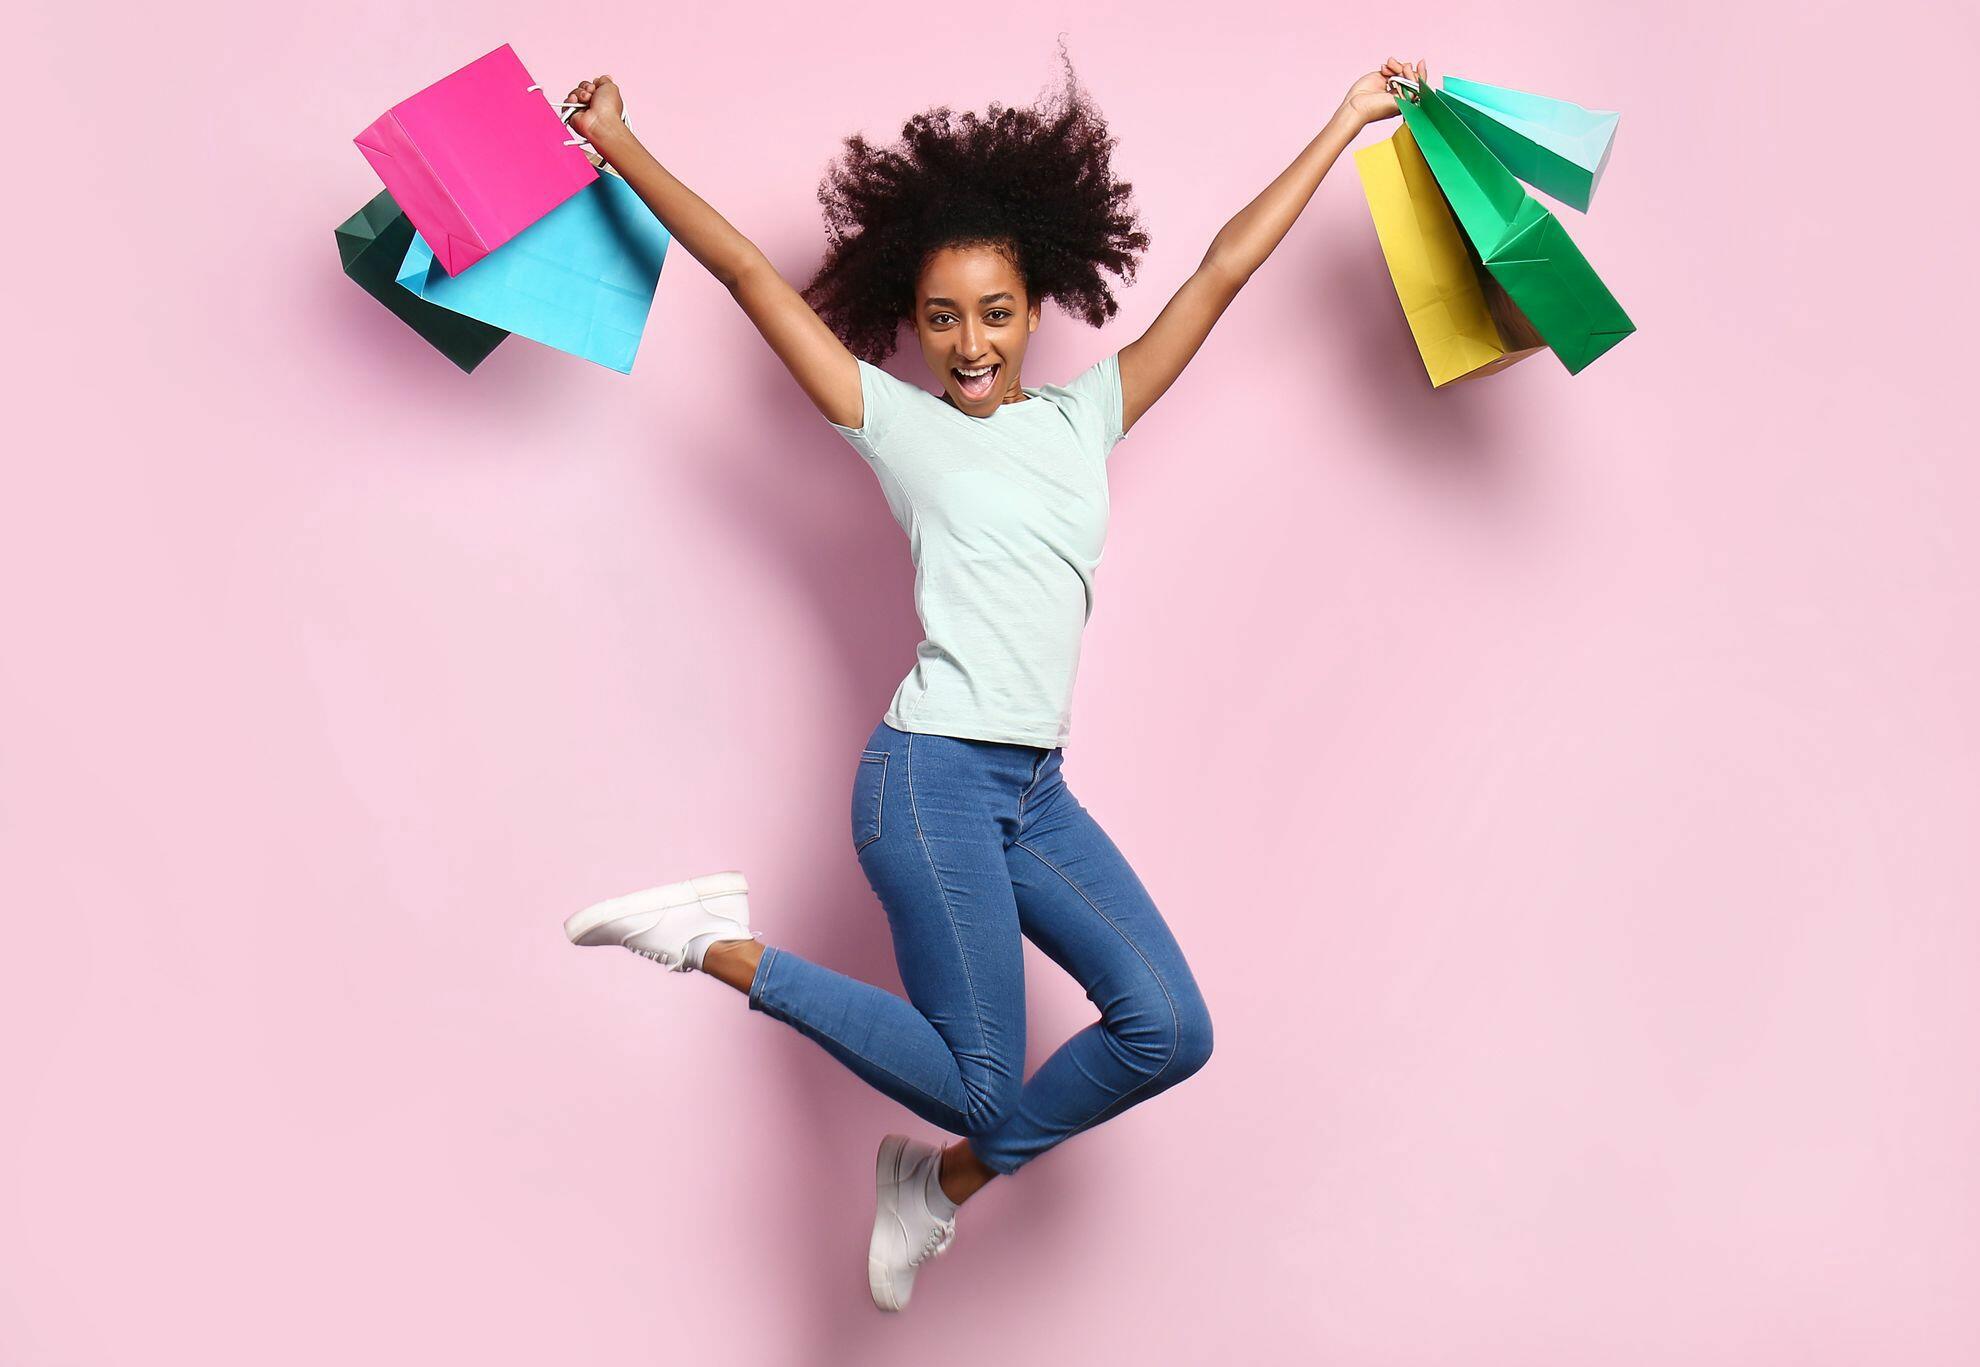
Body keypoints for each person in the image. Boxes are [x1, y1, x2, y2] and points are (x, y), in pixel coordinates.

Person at [560, 49, 1428, 1311]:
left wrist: (1345, 120)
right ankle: (712, 940)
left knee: (1169, 1030)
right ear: (910, 321)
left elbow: (1225, 270)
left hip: (1035, 792)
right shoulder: (895, 425)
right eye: (944, 317)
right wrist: (623, 148)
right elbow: (752, 274)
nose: (971, 343)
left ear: (1038, 305)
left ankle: (939, 1185)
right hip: (929, 781)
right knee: (987, 1077)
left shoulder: (1085, 420)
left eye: (998, 312)